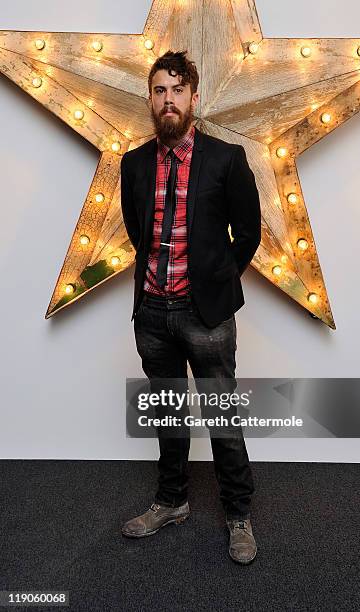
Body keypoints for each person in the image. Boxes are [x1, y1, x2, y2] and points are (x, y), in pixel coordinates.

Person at [120, 49, 261, 565]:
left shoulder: (225, 159)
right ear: (151, 100)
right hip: (153, 314)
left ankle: (239, 513)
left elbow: (247, 234)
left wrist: (219, 282)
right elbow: (139, 235)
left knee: (223, 417)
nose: (168, 99)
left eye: (177, 90)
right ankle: (171, 500)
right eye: (160, 90)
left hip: (206, 315)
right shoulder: (133, 164)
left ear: (193, 98)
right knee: (168, 415)